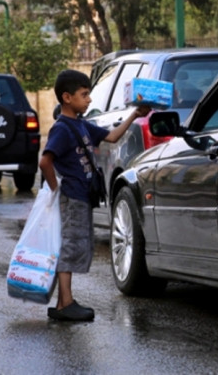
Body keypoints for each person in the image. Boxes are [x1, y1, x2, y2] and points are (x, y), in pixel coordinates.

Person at [39, 69, 150, 321]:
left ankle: (62, 304)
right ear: (67, 97)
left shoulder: (81, 124)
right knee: (71, 246)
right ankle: (65, 304)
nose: (89, 99)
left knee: (75, 244)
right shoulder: (62, 128)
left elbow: (111, 136)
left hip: (81, 197)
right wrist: (57, 191)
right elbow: (45, 162)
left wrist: (134, 114)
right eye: (84, 94)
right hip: (72, 196)